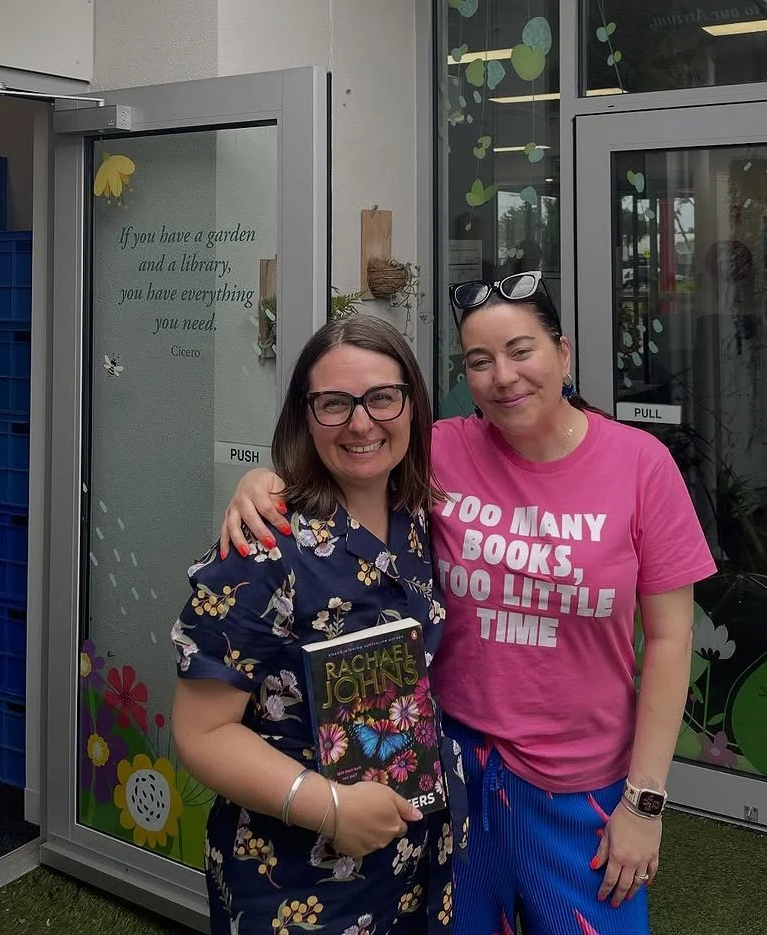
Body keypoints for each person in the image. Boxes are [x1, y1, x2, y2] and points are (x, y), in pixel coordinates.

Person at [218, 272, 715, 934]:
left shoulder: (640, 466)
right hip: (452, 775)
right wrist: (262, 481)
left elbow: (672, 643)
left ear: (562, 353)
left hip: (581, 784)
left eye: (521, 350)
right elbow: (351, 453)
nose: (503, 376)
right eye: (479, 361)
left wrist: (644, 803)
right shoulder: (441, 449)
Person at [170, 315, 460, 935]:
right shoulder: (263, 546)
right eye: (335, 403)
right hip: (297, 883)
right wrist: (328, 807)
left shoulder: (420, 518)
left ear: (413, 403)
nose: (361, 422)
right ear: (306, 415)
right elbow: (200, 732)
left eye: (382, 397)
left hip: (417, 863)